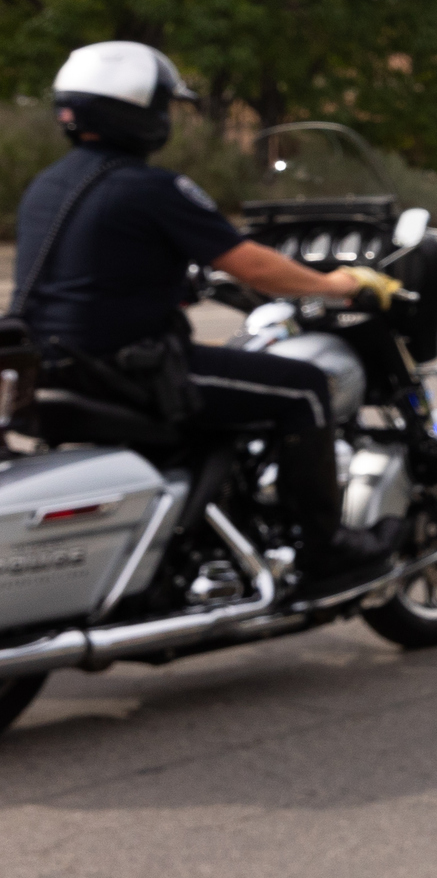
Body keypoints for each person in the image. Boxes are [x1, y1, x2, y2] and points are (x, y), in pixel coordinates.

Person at [9, 42, 406, 585]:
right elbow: (253, 266)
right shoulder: (153, 188)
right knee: (305, 388)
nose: (168, 117)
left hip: (53, 371)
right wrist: (337, 284)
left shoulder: (47, 186)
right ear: (138, 111)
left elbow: (101, 267)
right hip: (131, 374)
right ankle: (326, 548)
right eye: (163, 106)